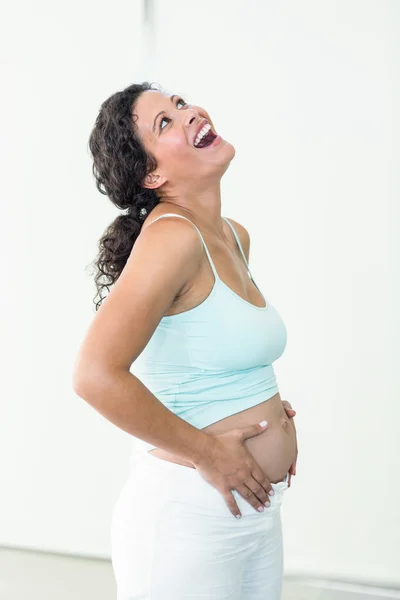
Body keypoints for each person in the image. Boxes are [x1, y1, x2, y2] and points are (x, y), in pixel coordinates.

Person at [73, 81, 298, 600]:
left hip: (256, 511)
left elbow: (213, 351)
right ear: (152, 173)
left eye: (179, 104)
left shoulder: (233, 235)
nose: (188, 111)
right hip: (189, 516)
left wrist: (266, 414)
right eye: (165, 123)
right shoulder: (172, 237)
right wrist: (207, 451)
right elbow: (93, 375)